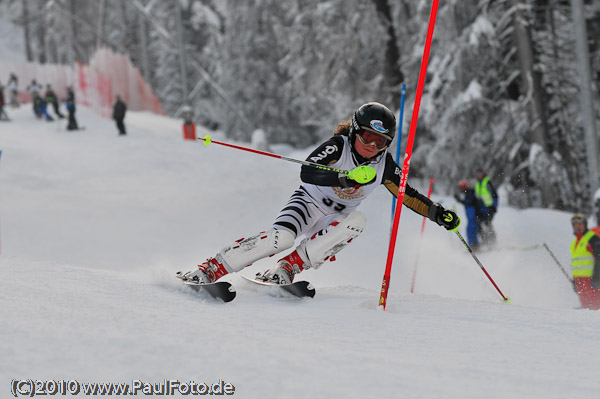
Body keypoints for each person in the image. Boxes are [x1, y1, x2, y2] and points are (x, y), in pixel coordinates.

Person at [179, 102, 461, 285]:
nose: (372, 146)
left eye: (380, 142)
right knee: (282, 238)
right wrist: (342, 177)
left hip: (335, 219)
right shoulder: (339, 146)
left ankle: (288, 267)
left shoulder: (384, 164)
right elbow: (307, 171)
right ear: (354, 131)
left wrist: (437, 214)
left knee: (358, 221)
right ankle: (212, 267)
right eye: (367, 137)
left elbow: (407, 194)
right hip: (308, 203)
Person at [569, 214, 600, 310]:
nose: (577, 226)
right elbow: (577, 263)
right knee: (586, 310)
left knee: (595, 309)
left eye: (580, 224)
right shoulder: (575, 242)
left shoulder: (592, 238)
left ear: (585, 224)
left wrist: (597, 278)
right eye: (575, 224)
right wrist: (575, 280)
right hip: (580, 282)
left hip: (592, 281)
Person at [475, 168, 498, 246]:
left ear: (483, 173)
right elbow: (477, 196)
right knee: (480, 226)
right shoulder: (477, 183)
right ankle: (485, 242)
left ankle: (493, 242)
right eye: (478, 173)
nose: (479, 175)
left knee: (488, 225)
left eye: (480, 173)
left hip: (489, 208)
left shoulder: (487, 182)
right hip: (480, 209)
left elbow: (495, 195)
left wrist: (494, 206)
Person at [454, 180, 480, 249]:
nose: (461, 189)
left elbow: (468, 202)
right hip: (471, 216)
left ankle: (473, 245)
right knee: (471, 229)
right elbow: (466, 202)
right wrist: (459, 200)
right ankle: (474, 245)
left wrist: (459, 200)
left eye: (462, 188)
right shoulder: (468, 192)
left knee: (471, 229)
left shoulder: (470, 192)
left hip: (473, 216)